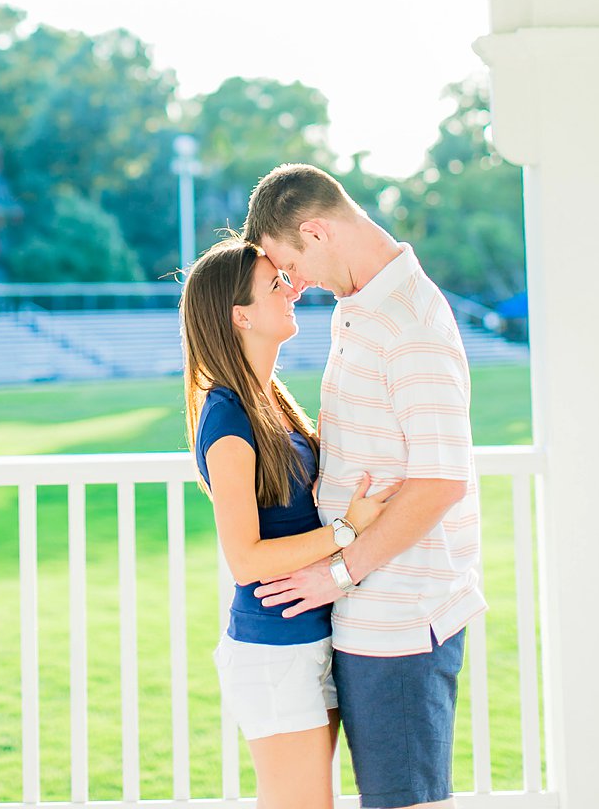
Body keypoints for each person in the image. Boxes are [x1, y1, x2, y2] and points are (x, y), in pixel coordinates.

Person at [241, 163, 485, 809]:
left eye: (289, 265)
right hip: (361, 610)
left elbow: (440, 481)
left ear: (316, 232)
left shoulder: (410, 326)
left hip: (399, 617)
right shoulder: (358, 308)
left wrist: (339, 572)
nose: (295, 283)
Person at [179, 235, 391, 809]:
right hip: (275, 650)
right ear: (239, 315)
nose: (292, 288)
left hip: (311, 634)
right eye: (276, 283)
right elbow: (244, 559)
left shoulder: (270, 399)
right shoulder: (228, 419)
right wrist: (346, 529)